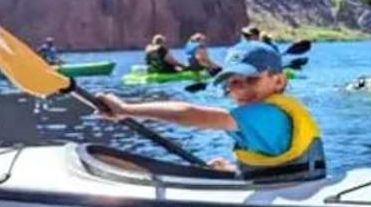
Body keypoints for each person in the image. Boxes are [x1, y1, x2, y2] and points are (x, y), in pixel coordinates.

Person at [97, 41, 325, 176]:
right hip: (286, 186)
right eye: (234, 82)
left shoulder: (268, 114)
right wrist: (234, 171)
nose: (241, 89)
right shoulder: (262, 115)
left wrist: (126, 109)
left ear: (278, 81)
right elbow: (274, 168)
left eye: (252, 79)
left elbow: (194, 115)